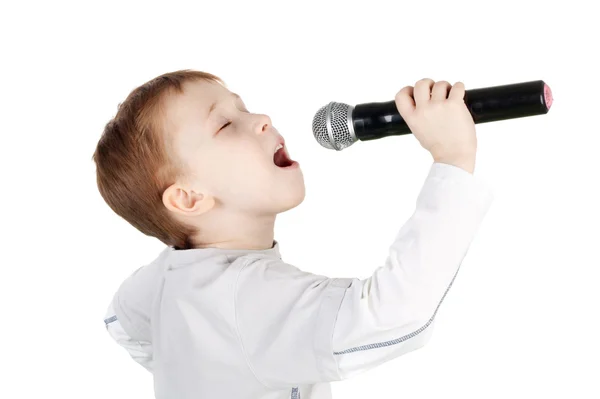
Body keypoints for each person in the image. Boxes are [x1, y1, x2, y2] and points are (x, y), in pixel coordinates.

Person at [94, 70, 494, 399]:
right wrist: (453, 162)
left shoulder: (164, 279)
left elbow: (120, 323)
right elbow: (393, 316)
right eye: (226, 124)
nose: (261, 118)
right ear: (187, 198)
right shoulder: (246, 296)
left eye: (244, 107)